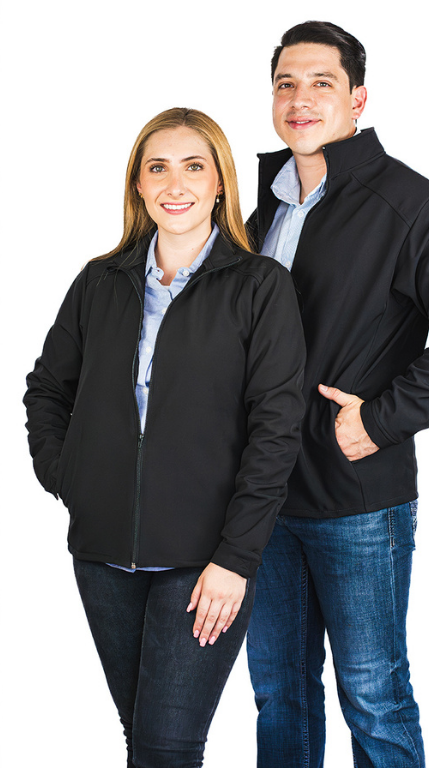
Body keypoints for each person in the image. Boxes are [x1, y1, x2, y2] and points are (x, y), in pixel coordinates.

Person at [245, 21, 429, 768]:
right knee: (280, 697)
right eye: (286, 84)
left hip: (357, 499)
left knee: (374, 696)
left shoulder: (409, 204)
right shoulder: (263, 208)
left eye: (321, 83)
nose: (300, 99)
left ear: (358, 100)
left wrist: (385, 419)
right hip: (261, 499)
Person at [24, 107, 306, 767]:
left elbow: (275, 429)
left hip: (203, 561)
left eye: (193, 167)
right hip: (104, 557)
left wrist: (237, 559)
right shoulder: (100, 282)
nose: (175, 184)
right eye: (158, 168)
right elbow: (48, 389)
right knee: (143, 741)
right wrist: (71, 477)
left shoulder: (260, 286)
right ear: (139, 185)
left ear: (219, 183)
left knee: (167, 748)